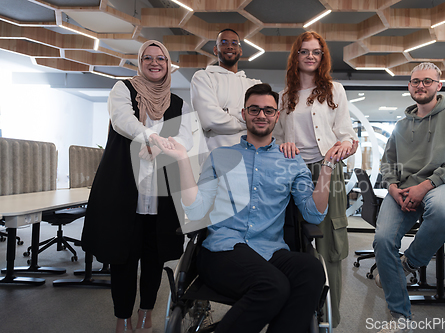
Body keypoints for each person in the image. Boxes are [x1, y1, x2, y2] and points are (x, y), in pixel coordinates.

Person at [157, 83, 342, 333]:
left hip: (271, 250)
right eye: (254, 109)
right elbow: (197, 211)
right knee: (274, 286)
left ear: (277, 116)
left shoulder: (291, 161)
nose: (261, 115)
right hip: (223, 250)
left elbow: (313, 213)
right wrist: (181, 160)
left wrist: (328, 166)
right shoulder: (220, 156)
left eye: (268, 110)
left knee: (311, 270)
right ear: (244, 114)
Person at [81, 40, 193, 333]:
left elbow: (185, 139)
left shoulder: (178, 103)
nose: (155, 63)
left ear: (168, 64)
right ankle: (122, 317)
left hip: (161, 195)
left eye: (161, 59)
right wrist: (152, 137)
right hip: (123, 188)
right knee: (123, 258)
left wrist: (171, 145)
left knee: (154, 260)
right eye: (148, 58)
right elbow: (122, 121)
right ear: (140, 61)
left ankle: (146, 313)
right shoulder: (123, 89)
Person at [373, 62, 445, 332]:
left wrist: (426, 185)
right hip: (404, 188)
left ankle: (410, 263)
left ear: (438, 85)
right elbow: (388, 163)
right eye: (416, 81)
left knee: (443, 211)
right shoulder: (401, 125)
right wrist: (393, 187)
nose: (421, 85)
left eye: (427, 81)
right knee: (383, 239)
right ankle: (400, 316)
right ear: (409, 86)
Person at [274, 31, 358, 328]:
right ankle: (293, 314)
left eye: (316, 52)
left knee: (329, 243)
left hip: (327, 171)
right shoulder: (284, 97)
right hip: (292, 173)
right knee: (293, 241)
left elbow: (348, 136)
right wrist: (281, 144)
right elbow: (278, 139)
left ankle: (328, 317)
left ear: (323, 57)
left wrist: (344, 147)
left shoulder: (335, 90)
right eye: (304, 51)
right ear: (295, 56)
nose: (310, 56)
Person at [190, 28, 261, 164]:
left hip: (248, 161)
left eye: (234, 43)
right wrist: (245, 119)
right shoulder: (203, 77)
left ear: (240, 50)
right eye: (224, 42)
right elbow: (209, 120)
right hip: (214, 163)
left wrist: (227, 112)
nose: (230, 46)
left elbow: (259, 120)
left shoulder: (254, 84)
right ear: (215, 50)